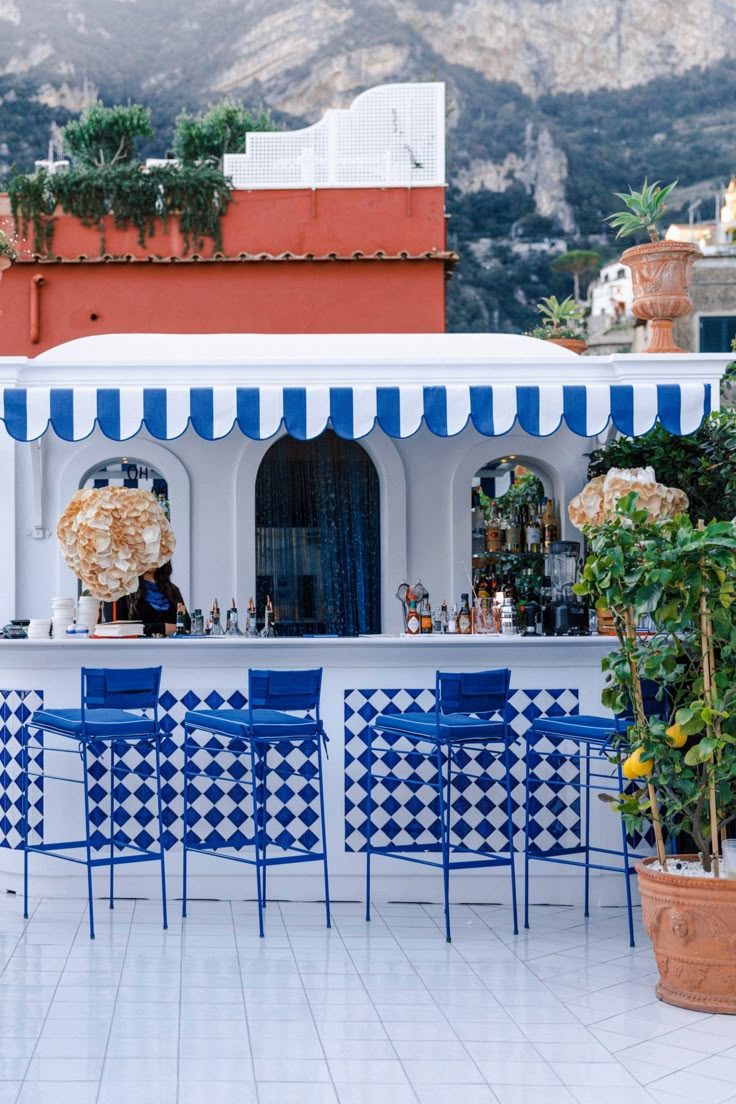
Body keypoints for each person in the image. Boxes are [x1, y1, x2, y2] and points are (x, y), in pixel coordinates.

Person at [104, 561, 190, 636]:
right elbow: (115, 629)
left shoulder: (173, 590)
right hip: (136, 650)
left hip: (172, 650)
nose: (152, 557)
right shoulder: (122, 588)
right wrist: (164, 628)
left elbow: (188, 625)